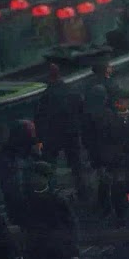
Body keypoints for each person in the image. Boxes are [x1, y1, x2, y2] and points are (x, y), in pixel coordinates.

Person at [34, 64, 88, 199]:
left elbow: (40, 119)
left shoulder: (46, 96)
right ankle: (83, 192)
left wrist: (39, 138)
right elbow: (82, 111)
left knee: (50, 165)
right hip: (72, 132)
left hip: (54, 134)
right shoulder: (72, 91)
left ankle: (51, 193)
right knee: (77, 165)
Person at [97, 89, 129, 222]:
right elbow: (107, 138)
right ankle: (120, 213)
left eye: (124, 101)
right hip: (117, 158)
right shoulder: (109, 119)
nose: (122, 104)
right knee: (118, 186)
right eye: (120, 101)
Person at [0, 121, 42, 228]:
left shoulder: (31, 149)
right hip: (21, 203)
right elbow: (13, 185)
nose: (33, 135)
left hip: (34, 201)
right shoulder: (8, 155)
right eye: (30, 132)